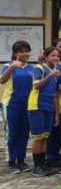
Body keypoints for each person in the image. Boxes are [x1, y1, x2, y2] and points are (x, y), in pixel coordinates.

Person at [1, 41, 34, 174]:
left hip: (27, 105)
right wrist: (12, 67)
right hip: (11, 104)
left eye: (27, 50)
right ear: (15, 53)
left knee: (24, 133)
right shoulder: (8, 65)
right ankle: (11, 162)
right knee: (12, 133)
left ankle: (21, 160)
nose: (25, 53)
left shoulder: (32, 67)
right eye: (21, 51)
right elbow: (2, 80)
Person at [28, 46, 61, 177]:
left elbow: (54, 94)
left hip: (49, 107)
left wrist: (56, 113)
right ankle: (37, 166)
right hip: (37, 105)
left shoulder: (55, 72)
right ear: (46, 57)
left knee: (45, 136)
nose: (56, 58)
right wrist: (50, 75)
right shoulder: (39, 68)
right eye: (53, 55)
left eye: (58, 56)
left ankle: (43, 164)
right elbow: (37, 85)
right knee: (38, 137)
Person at [46, 38, 61, 169]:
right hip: (51, 101)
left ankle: (55, 155)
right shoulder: (50, 65)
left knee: (59, 131)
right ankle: (50, 157)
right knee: (52, 131)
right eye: (60, 47)